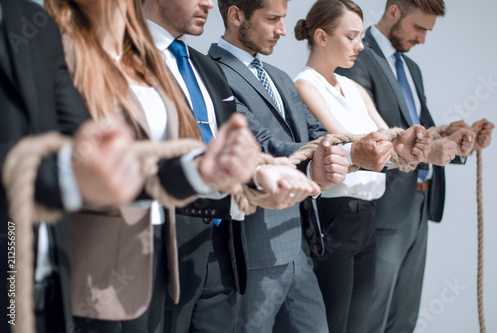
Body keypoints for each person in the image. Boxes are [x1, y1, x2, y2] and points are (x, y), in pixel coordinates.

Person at [206, 0, 432, 331]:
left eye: (283, 19)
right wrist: (356, 154)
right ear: (236, 15)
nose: (283, 30)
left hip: (301, 243)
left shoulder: (279, 78)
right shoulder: (213, 74)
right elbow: (265, 145)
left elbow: (317, 136)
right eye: (272, 19)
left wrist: (392, 147)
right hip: (254, 251)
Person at [44, 0, 264, 332]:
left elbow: (157, 159)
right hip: (93, 253)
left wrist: (223, 172)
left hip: (162, 238)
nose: (208, 2)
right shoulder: (59, 50)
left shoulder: (149, 62)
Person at [142, 0, 321, 332]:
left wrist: (256, 176)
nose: (208, 2)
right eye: (272, 19)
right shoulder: (121, 58)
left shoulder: (202, 67)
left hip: (225, 240)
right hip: (160, 239)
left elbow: (238, 149)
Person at [336, 0, 494, 332]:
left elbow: (425, 132)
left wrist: (462, 141)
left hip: (418, 206)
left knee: (404, 317)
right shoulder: (356, 60)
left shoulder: (411, 69)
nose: (423, 39)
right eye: (419, 28)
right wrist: (426, 151)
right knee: (369, 319)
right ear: (393, 11)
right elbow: (364, 140)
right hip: (381, 211)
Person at [0, 1, 145, 332]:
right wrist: (68, 174)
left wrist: (199, 169)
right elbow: (71, 165)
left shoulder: (33, 22)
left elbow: (86, 144)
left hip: (49, 291)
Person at [293, 1, 431, 332]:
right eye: (352, 36)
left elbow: (389, 143)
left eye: (360, 36)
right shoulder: (304, 85)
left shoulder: (353, 88)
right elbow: (345, 144)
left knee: (359, 325)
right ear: (322, 37)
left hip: (367, 216)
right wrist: (391, 146)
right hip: (334, 217)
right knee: (335, 323)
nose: (361, 45)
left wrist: (411, 142)